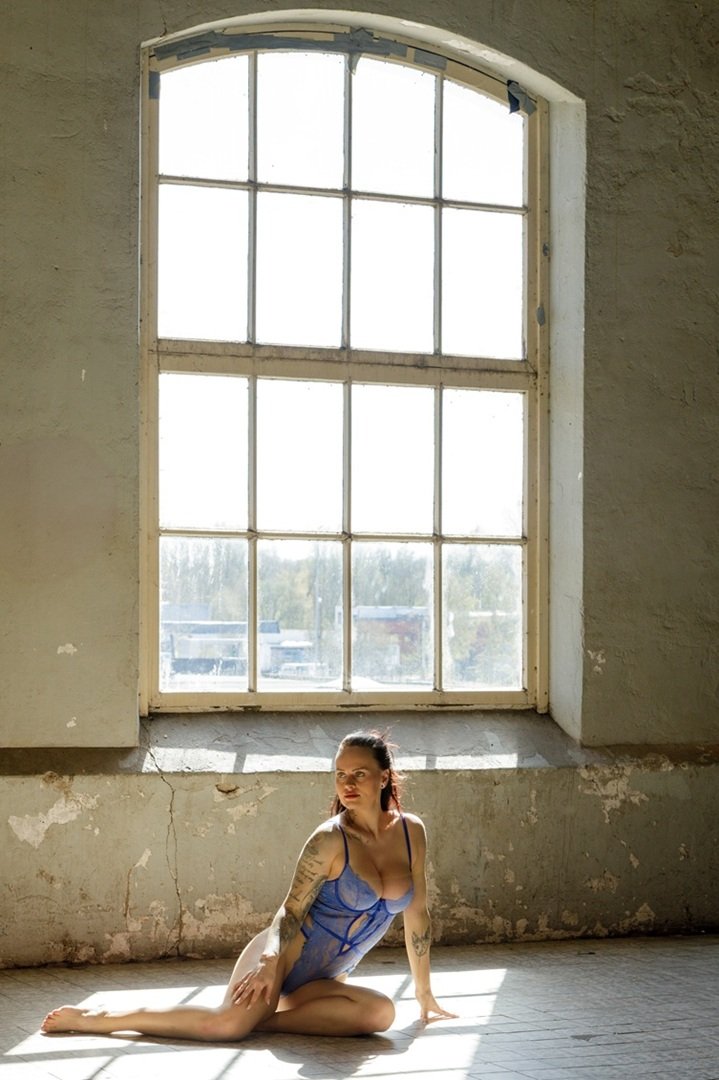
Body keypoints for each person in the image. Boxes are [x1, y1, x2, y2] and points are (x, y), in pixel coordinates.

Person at [41, 730, 455, 1041]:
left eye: (359, 774)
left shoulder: (411, 832)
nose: (347, 783)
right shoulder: (328, 840)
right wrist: (269, 960)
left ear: (384, 778)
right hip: (281, 958)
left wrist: (424, 992)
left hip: (323, 979)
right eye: (340, 774)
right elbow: (290, 911)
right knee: (225, 1025)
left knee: (381, 1014)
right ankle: (101, 1019)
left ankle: (266, 1020)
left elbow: (417, 913)